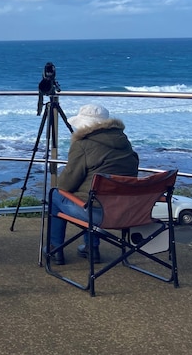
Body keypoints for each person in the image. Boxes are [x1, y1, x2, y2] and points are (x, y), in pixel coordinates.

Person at [46, 103, 139, 265]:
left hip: (98, 215)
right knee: (94, 195)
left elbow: (65, 185)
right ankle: (91, 248)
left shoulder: (83, 145)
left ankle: (55, 249)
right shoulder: (125, 143)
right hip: (126, 211)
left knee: (55, 195)